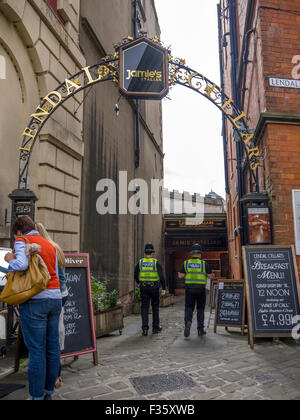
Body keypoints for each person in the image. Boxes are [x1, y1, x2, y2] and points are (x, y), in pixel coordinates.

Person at [4, 215, 62, 400]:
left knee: (36, 350)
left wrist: (9, 258)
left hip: (36, 300)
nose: (15, 239)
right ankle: (48, 392)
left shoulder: (23, 240)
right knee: (52, 347)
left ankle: (36, 396)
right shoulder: (49, 244)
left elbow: (21, 264)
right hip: (55, 298)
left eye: (15, 236)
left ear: (19, 232)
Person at [35, 222, 68, 389]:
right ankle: (56, 376)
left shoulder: (42, 248)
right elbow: (63, 276)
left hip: (50, 295)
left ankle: (52, 376)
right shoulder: (56, 247)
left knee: (47, 340)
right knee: (55, 336)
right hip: (61, 294)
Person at [178, 244, 215, 338]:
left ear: (191, 253)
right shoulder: (204, 264)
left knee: (189, 307)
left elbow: (180, 275)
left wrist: (187, 275)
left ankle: (188, 322)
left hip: (190, 289)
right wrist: (211, 275)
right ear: (200, 254)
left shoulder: (186, 263)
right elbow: (210, 276)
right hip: (201, 290)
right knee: (200, 309)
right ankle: (200, 330)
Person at [134, 243, 166, 336]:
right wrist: (163, 288)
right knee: (155, 307)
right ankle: (156, 327)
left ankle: (145, 329)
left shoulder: (140, 262)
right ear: (152, 253)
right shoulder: (156, 262)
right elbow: (161, 276)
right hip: (154, 287)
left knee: (144, 308)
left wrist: (138, 282)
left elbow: (135, 274)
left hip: (143, 287)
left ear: (145, 253)